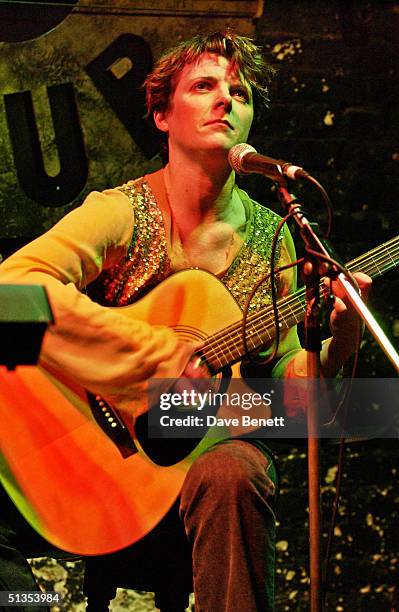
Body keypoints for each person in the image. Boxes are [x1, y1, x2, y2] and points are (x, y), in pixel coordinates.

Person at [0, 31, 370, 612]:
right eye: (204, 86)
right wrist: (152, 357)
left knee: (238, 466)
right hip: (87, 449)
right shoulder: (122, 212)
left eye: (239, 92)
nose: (226, 99)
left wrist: (340, 345)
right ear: (160, 114)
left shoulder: (277, 238)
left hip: (193, 469)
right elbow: (13, 288)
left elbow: (293, 406)